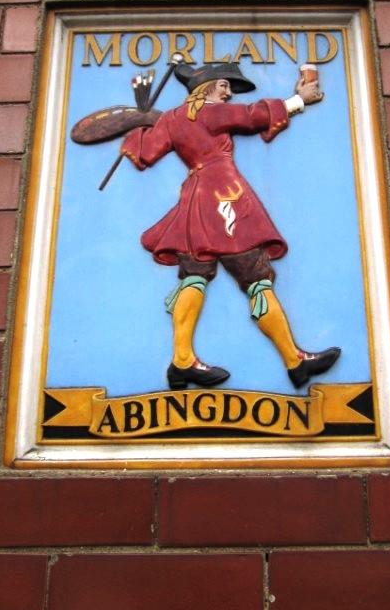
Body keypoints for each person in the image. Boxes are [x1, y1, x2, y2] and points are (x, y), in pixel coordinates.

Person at [121, 61, 341, 390]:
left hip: (194, 200)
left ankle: (182, 360)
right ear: (205, 87)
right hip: (225, 196)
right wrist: (298, 101)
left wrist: (137, 133)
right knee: (255, 276)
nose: (227, 93)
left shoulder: (172, 119)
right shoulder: (210, 112)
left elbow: (147, 153)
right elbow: (251, 116)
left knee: (195, 273)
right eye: (224, 85)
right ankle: (294, 362)